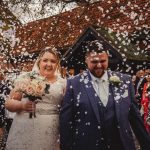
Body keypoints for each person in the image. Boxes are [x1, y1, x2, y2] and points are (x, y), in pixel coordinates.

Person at [60, 40, 150, 150]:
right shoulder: (73, 84)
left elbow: (135, 118)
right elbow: (66, 122)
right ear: (86, 60)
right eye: (94, 61)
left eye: (103, 61)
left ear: (108, 58)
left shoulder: (125, 81)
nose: (99, 65)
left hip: (121, 145)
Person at [5, 48, 66, 150]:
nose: (49, 64)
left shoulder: (63, 83)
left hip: (50, 129)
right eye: (45, 60)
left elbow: (66, 108)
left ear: (57, 64)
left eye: (53, 61)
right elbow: (8, 103)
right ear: (39, 62)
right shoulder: (26, 78)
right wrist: (22, 105)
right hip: (24, 127)